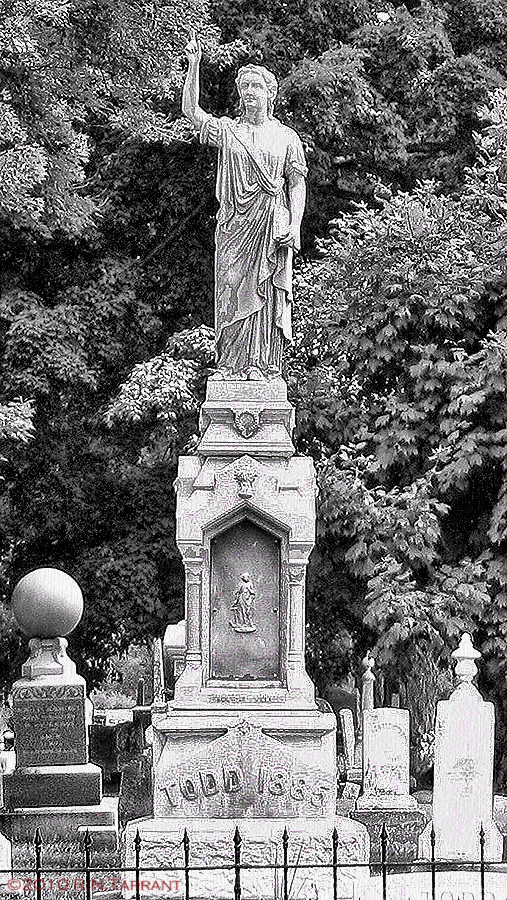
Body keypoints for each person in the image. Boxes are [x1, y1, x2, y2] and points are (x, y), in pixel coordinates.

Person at [182, 32, 307, 379]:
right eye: (245, 86)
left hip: (270, 220)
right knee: (231, 289)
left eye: (257, 86)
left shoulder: (286, 138)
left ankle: (261, 364)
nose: (250, 92)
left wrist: (294, 225)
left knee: (264, 291)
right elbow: (192, 113)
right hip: (235, 224)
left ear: (270, 93)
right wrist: (194, 66)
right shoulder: (229, 131)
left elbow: (297, 185)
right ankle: (230, 365)